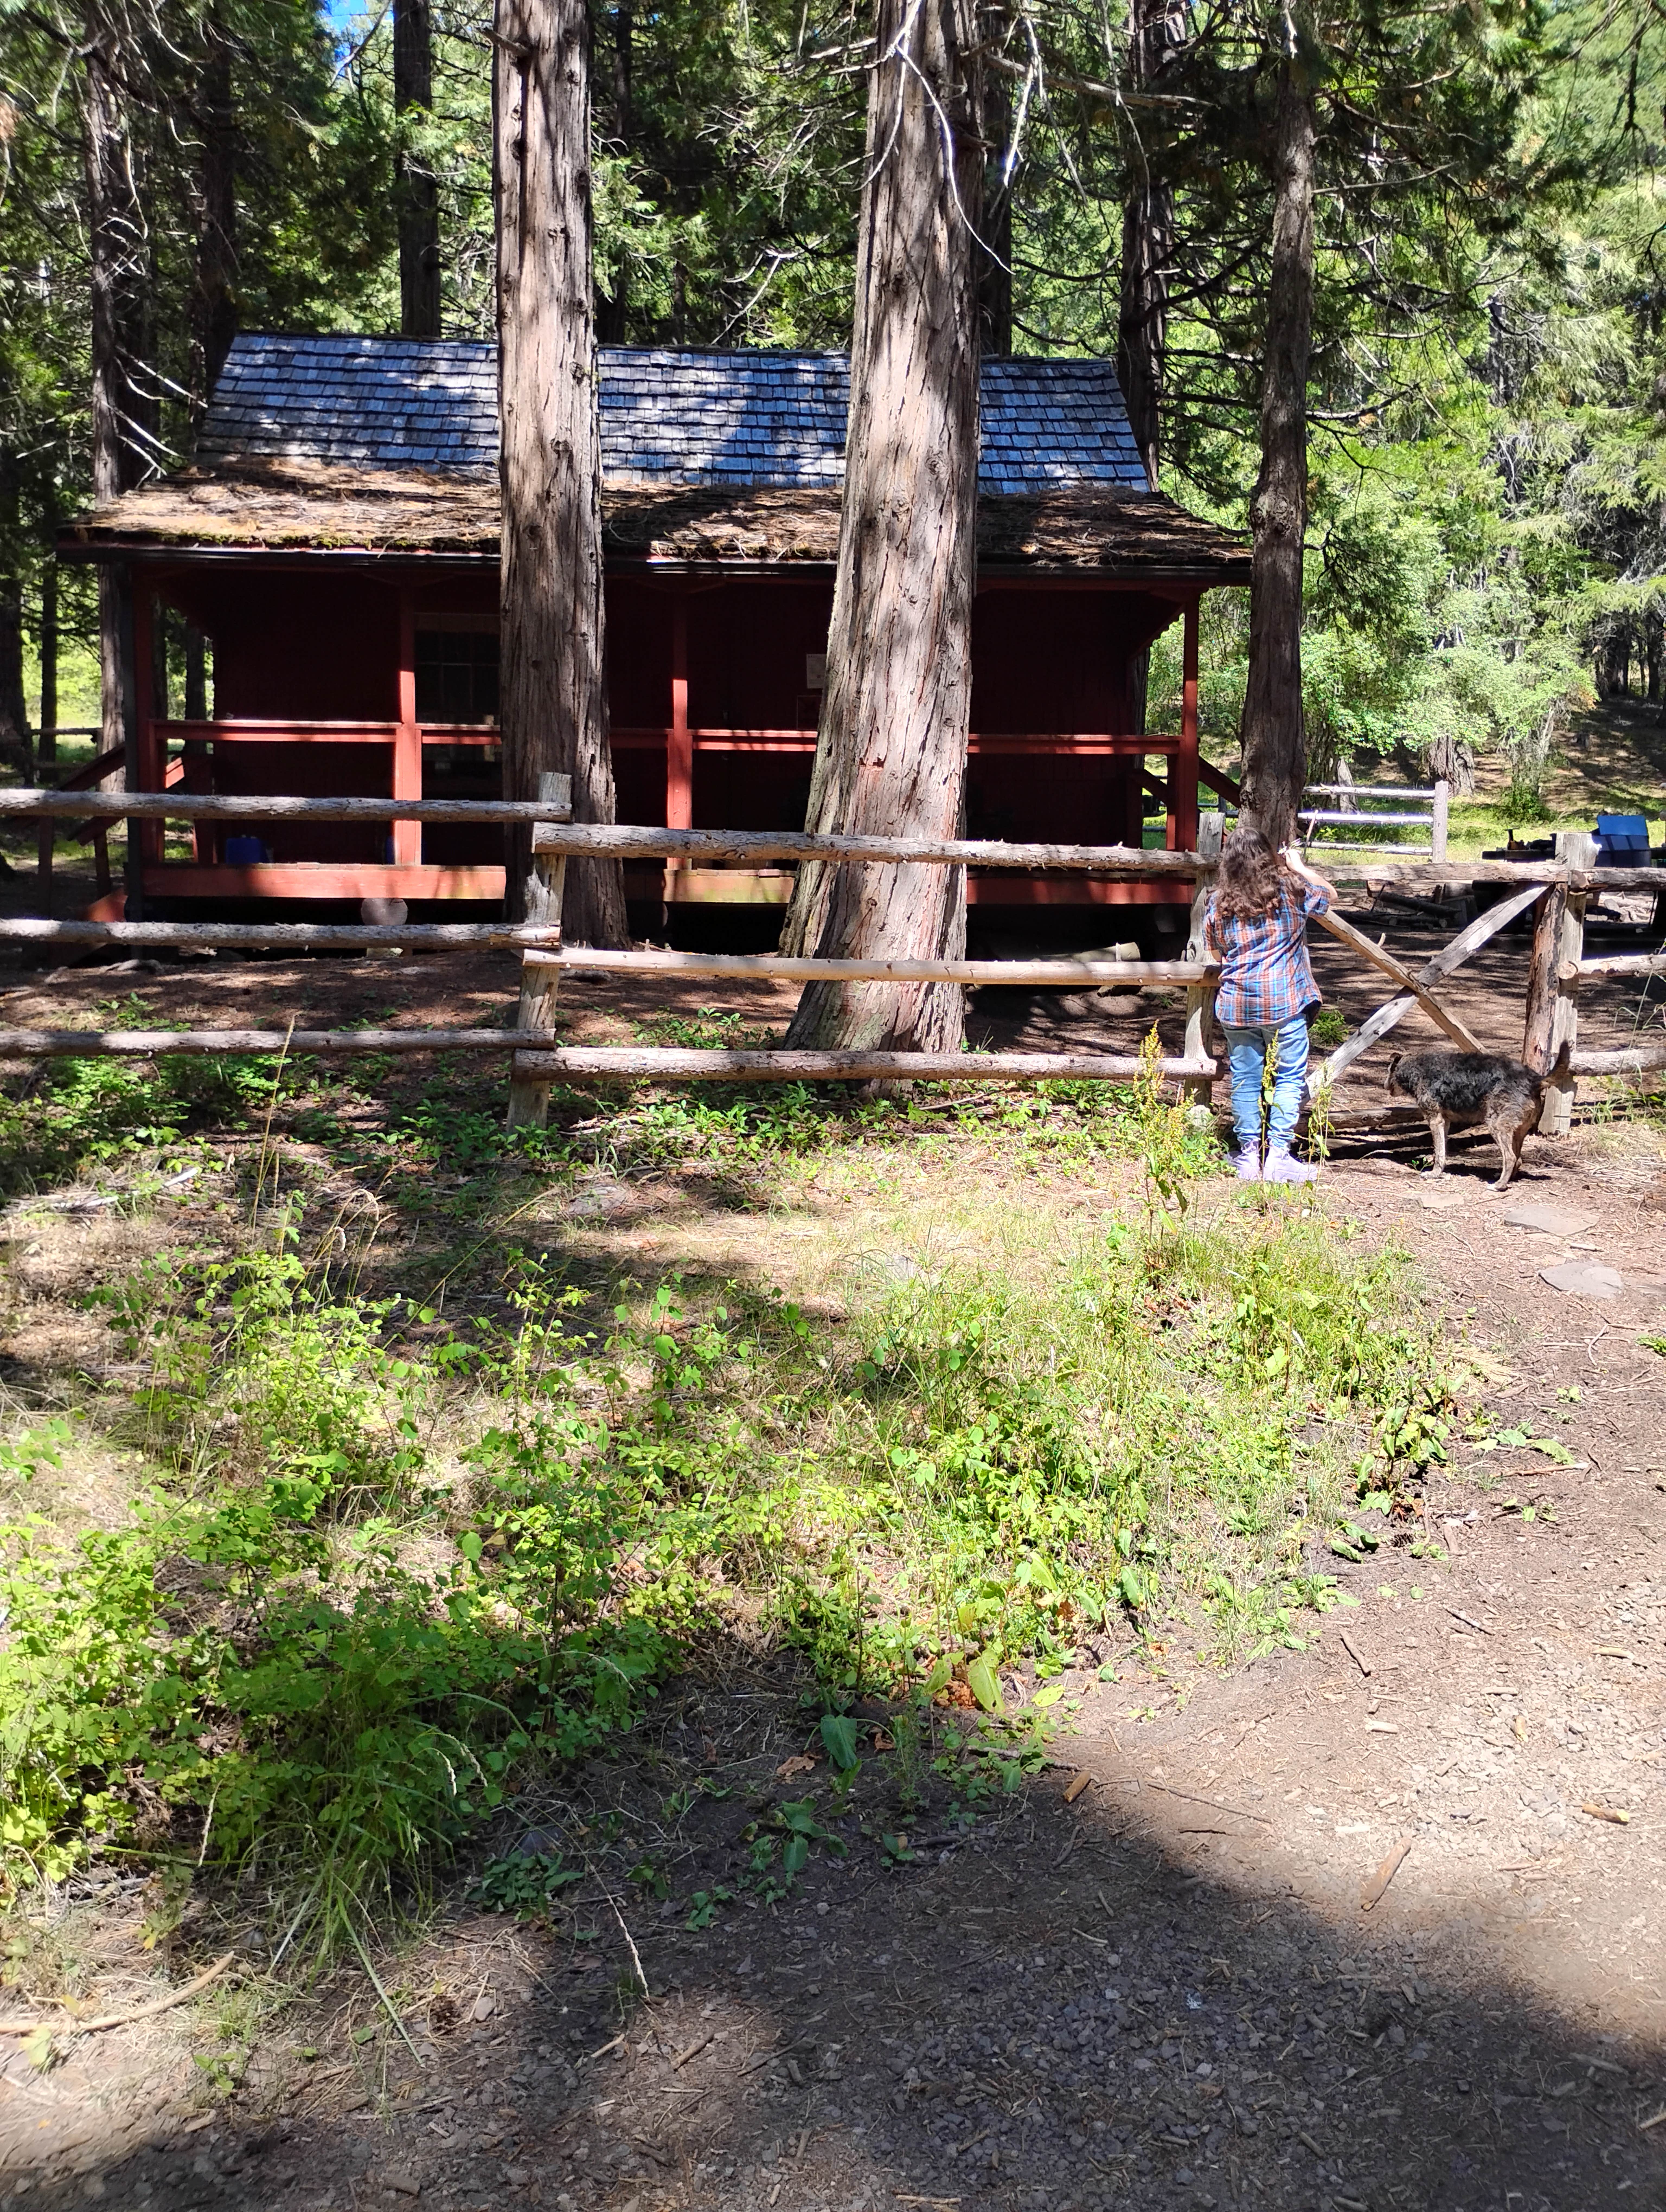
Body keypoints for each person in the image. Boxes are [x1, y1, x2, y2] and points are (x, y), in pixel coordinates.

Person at [1203, 827, 1338, 1184]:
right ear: (1269, 856)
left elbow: (1215, 950)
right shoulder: (1291, 891)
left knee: (1245, 1080)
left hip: (1237, 1004)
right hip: (1286, 1001)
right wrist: (1299, 866)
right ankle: (1278, 1156)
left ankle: (1248, 1158)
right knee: (1289, 1079)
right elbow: (1329, 895)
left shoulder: (1219, 902)